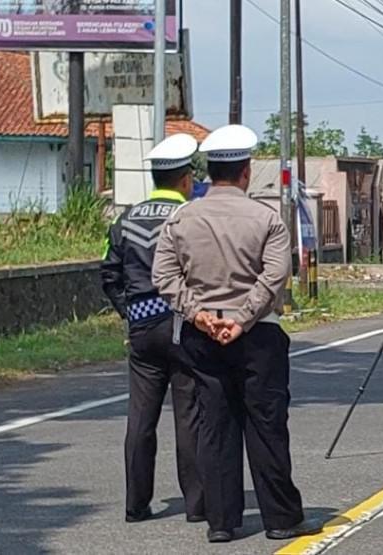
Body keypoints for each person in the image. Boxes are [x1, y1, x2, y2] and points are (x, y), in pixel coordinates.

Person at [152, 125, 321, 544]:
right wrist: (242, 318)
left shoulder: (181, 218)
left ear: (209, 173)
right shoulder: (266, 219)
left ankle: (222, 522)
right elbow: (275, 275)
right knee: (266, 426)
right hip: (258, 335)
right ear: (245, 173)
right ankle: (281, 517)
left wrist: (200, 315)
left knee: (214, 426)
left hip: (202, 335)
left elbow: (164, 275)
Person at [100, 133, 204, 524]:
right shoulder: (192, 217)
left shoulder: (124, 219)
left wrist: (131, 311)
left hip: (141, 329)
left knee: (140, 418)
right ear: (185, 179)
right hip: (184, 325)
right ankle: (197, 504)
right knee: (189, 413)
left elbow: (108, 274)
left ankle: (136, 504)